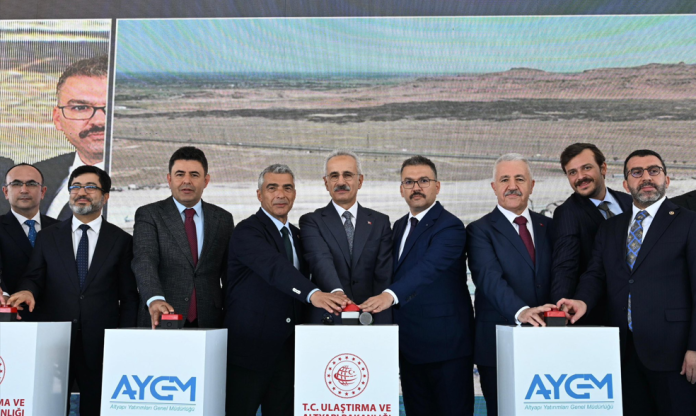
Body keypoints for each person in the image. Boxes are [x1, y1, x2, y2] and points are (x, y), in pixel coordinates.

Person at [558, 149, 696, 416]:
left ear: (666, 180)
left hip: (674, 354)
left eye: (653, 171)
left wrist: (695, 347)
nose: (646, 178)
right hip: (623, 353)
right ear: (625, 184)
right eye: (637, 172)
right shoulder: (611, 228)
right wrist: (581, 301)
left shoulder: (689, 223)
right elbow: (595, 275)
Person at [6, 165, 139, 416]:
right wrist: (27, 291)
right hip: (55, 342)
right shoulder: (48, 237)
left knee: (94, 408)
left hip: (100, 344)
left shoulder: (121, 240)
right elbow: (34, 277)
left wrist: (122, 340)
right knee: (49, 408)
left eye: (90, 187)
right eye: (75, 187)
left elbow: (129, 297)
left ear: (105, 196)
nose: (81, 192)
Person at [225, 164, 350, 416]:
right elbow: (276, 268)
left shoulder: (297, 235)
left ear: (294, 194)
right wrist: (314, 294)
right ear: (259, 194)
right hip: (250, 351)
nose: (280, 194)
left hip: (289, 351)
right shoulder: (247, 231)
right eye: (272, 188)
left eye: (287, 188)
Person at [360, 156, 475, 416]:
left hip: (446, 347)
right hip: (409, 347)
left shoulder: (450, 226)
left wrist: (389, 295)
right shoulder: (399, 226)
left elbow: (428, 268)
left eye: (423, 181)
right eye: (409, 182)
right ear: (401, 189)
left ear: (437, 186)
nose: (416, 188)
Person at [466, 153, 556, 416]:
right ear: (494, 187)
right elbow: (488, 278)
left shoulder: (551, 227)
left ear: (532, 185)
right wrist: (522, 311)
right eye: (504, 179)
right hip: (498, 342)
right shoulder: (479, 230)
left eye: (520, 179)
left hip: (549, 339)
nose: (512, 186)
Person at [132, 146, 234, 329]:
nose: (187, 181)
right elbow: (145, 260)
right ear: (169, 179)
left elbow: (229, 273)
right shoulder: (150, 214)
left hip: (210, 320)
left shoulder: (223, 219)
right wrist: (154, 298)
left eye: (194, 175)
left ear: (206, 180)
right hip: (162, 318)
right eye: (180, 174)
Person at [300, 150, 392, 324]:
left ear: (360, 181)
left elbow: (383, 275)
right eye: (334, 176)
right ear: (326, 183)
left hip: (371, 318)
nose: (341, 182)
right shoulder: (311, 221)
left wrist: (382, 321)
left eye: (348, 175)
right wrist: (337, 293)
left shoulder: (380, 222)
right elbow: (320, 259)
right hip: (328, 318)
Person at [14, 55, 108, 220]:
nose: (99, 121)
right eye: (80, 108)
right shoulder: (34, 177)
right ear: (57, 119)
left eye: (111, 107)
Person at [551, 143, 632, 325]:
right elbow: (565, 266)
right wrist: (560, 311)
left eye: (586, 168)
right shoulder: (567, 213)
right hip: (602, 314)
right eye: (572, 172)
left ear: (603, 168)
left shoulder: (629, 202)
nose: (580, 177)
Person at [0, 164, 60, 315]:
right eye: (16, 184)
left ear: (43, 192)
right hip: (12, 315)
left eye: (31, 184)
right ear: (6, 192)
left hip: (57, 317)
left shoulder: (62, 229)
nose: (24, 190)